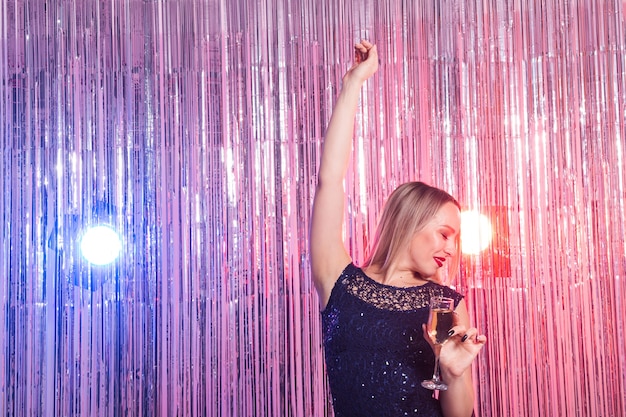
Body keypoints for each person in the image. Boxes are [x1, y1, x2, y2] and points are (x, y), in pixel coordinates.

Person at [310, 39, 487, 417]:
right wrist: (354, 83)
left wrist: (455, 373)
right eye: (444, 233)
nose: (451, 249)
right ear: (410, 223)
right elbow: (330, 180)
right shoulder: (338, 283)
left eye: (456, 239)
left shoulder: (448, 304)